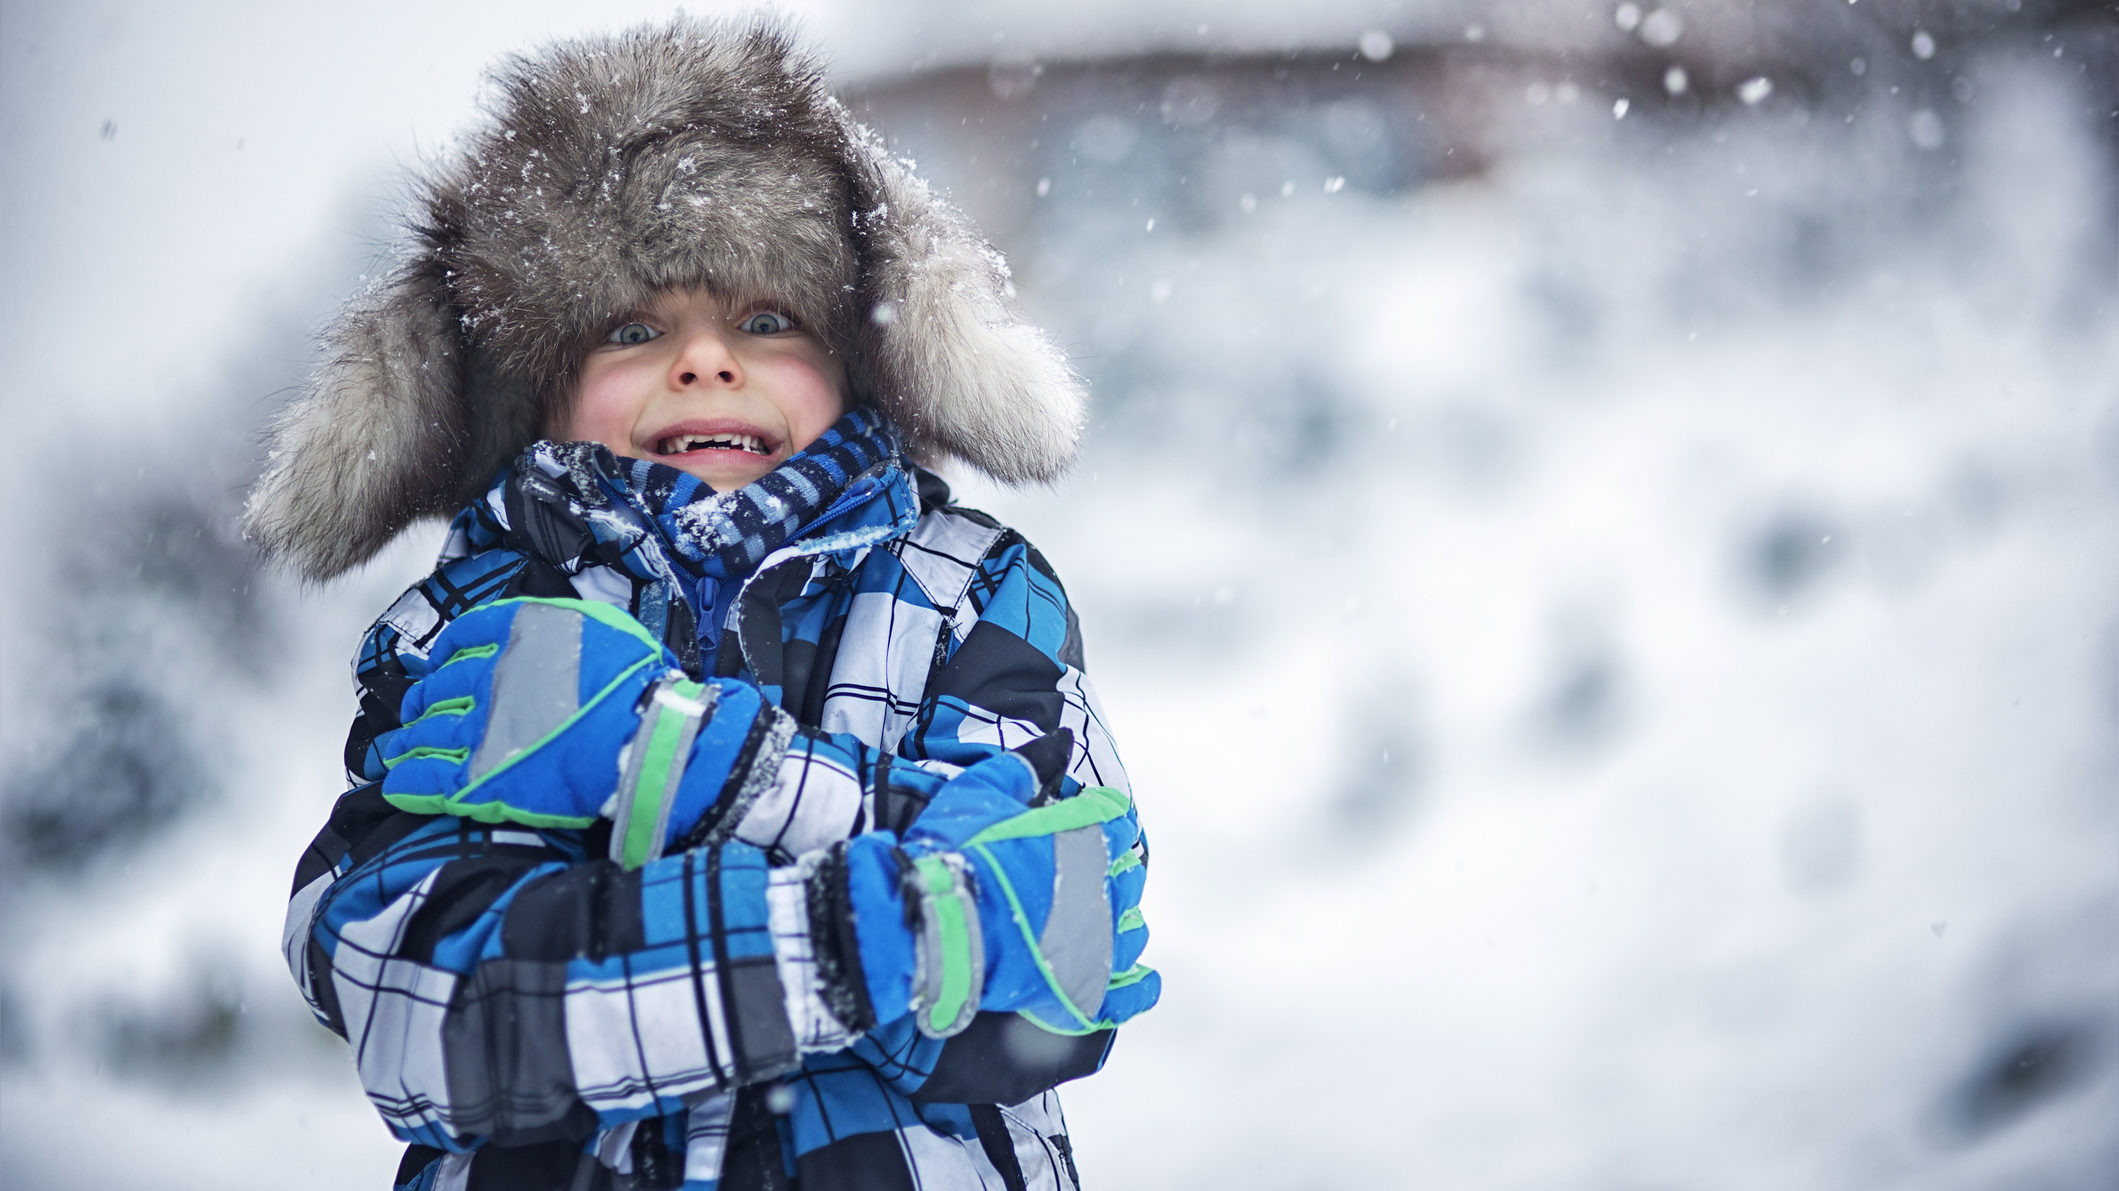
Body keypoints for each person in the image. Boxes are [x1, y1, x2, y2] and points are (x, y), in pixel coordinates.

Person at [248, 17, 1158, 1190]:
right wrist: (891, 929)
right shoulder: (471, 626)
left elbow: (1067, 956)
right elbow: (430, 1015)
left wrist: (688, 767)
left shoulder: (971, 592)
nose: (704, 361)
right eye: (633, 328)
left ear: (863, 358)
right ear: (541, 386)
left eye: (767, 318)